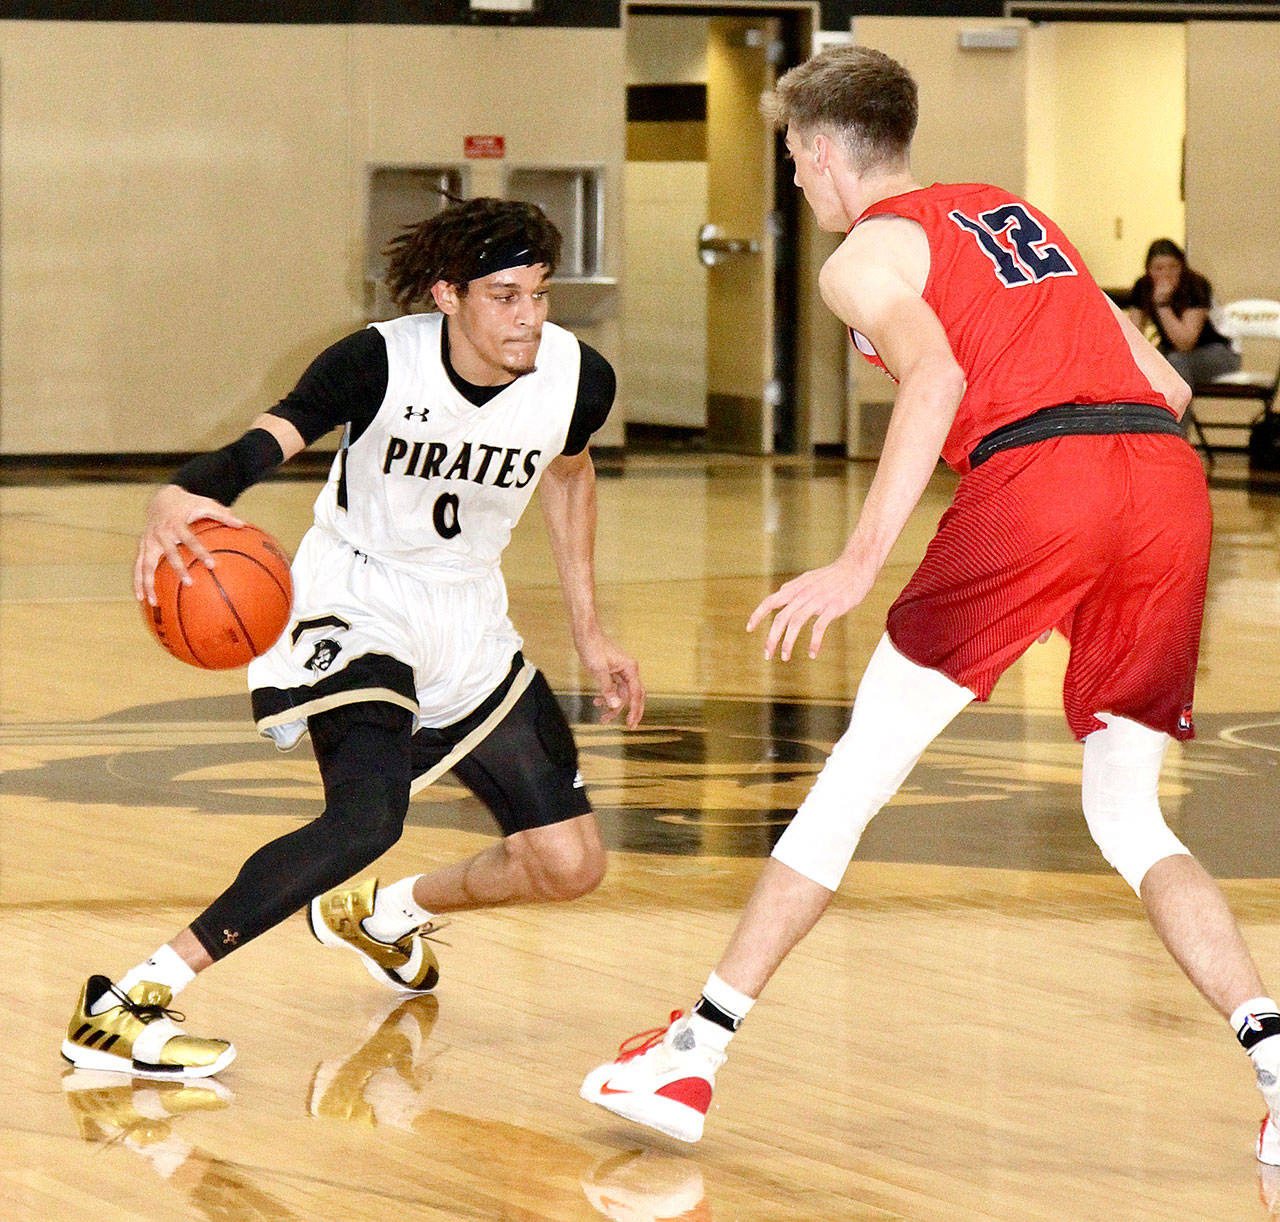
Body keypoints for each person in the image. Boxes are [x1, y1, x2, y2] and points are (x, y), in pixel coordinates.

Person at [581, 45, 1280, 1166]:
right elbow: (1168, 385)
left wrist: (858, 560)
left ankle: (690, 1053)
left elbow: (939, 379)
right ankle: (1275, 1064)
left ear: (815, 151)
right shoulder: (1016, 215)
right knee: (1125, 813)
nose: (798, 183)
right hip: (1163, 486)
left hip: (1041, 484)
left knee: (855, 776)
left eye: (791, 161)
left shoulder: (862, 257)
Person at [63, 196, 644, 1079]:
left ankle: (382, 915)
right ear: (448, 296)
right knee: (367, 815)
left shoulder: (577, 377)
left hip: (469, 613)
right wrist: (185, 490)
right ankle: (126, 1003)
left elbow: (570, 477)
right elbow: (264, 444)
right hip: (356, 596)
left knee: (568, 864)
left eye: (538, 293)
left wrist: (592, 633)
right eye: (504, 296)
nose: (527, 317)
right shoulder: (377, 362)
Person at [1128, 237, 1241, 387]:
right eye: (1158, 268)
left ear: (1182, 267)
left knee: (1175, 362)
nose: (1166, 274)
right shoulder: (1143, 286)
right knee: (1148, 362)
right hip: (1171, 351)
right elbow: (1132, 337)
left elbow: (1185, 342)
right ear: (1149, 271)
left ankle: (1178, 411)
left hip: (1218, 353)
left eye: (1173, 267)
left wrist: (1163, 305)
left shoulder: (1195, 285)